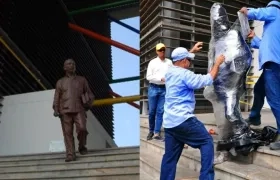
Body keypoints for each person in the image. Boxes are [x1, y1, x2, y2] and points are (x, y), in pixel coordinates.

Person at [160, 47, 225, 180]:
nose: (190, 63)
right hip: (184, 120)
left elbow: (180, 60)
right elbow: (208, 79)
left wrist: (191, 51)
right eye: (189, 60)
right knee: (206, 141)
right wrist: (217, 63)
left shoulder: (169, 72)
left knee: (169, 158)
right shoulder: (185, 75)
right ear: (184, 61)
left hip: (169, 123)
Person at [240, 0, 280, 150]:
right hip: (274, 64)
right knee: (258, 89)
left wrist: (247, 11)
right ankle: (255, 117)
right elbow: (265, 44)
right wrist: (254, 37)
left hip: (274, 65)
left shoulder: (275, 12)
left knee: (275, 100)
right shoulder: (274, 27)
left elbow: (262, 13)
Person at [146, 42, 203, 140]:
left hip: (164, 89)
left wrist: (192, 50)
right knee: (152, 112)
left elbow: (180, 61)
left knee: (160, 111)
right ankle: (151, 130)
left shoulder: (169, 62)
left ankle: (156, 133)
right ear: (156, 51)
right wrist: (160, 78)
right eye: (160, 50)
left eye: (163, 49)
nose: (162, 52)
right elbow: (148, 77)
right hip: (153, 88)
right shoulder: (152, 62)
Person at [53, 59, 94, 162]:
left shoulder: (82, 80)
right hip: (65, 110)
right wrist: (56, 108)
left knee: (82, 129)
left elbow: (90, 94)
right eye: (69, 63)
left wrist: (88, 104)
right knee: (67, 133)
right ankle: (70, 154)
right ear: (65, 67)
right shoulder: (60, 82)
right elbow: (56, 97)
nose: (72, 65)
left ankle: (82, 146)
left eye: (73, 63)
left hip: (79, 109)